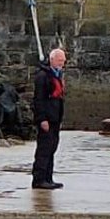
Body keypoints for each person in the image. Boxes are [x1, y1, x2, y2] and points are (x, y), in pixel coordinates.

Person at [31, 47, 67, 189]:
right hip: (46, 118)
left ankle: (48, 178)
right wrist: (42, 119)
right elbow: (38, 100)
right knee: (44, 150)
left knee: (52, 148)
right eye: (59, 60)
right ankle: (39, 179)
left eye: (63, 61)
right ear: (51, 60)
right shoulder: (42, 76)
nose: (61, 63)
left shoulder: (56, 75)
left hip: (55, 117)